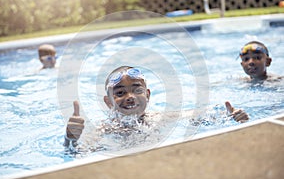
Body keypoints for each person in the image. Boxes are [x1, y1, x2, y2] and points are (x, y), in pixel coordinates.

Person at [64, 66, 249, 148]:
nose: (129, 97)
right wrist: (70, 139)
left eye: (137, 90)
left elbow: (203, 117)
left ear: (148, 95)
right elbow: (79, 154)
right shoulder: (103, 130)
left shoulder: (163, 117)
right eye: (120, 93)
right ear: (108, 102)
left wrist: (233, 117)